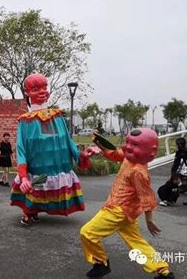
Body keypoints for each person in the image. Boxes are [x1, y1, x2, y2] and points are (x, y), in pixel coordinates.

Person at [80, 128, 174, 279]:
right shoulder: (129, 157)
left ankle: (101, 263)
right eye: (128, 142)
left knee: (87, 233)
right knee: (136, 242)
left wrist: (149, 220)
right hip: (126, 212)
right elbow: (113, 154)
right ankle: (164, 271)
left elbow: (146, 196)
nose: (129, 147)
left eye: (135, 144)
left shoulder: (138, 171)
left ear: (148, 150)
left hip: (117, 210)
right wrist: (98, 141)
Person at [11, 73, 93, 226]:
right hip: (36, 169)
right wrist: (23, 177)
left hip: (57, 168)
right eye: (36, 89)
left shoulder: (58, 117)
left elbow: (69, 142)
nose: (42, 92)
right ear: (27, 92)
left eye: (44, 87)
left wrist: (82, 155)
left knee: (43, 188)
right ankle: (29, 212)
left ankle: (34, 211)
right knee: (35, 188)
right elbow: (21, 149)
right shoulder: (25, 121)